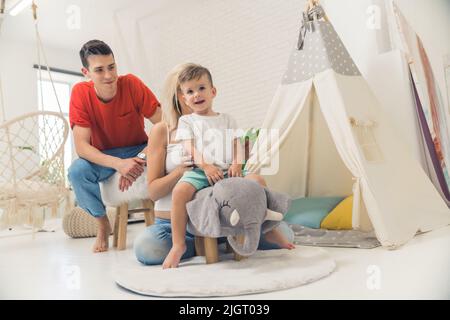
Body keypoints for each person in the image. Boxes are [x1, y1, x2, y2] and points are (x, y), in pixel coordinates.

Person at [133, 63, 294, 268]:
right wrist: (187, 170)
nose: (196, 95)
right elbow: (155, 190)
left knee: (258, 181)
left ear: (212, 91)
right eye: (188, 90)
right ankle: (183, 243)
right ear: (180, 95)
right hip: (182, 208)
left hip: (224, 200)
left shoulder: (225, 119)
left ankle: (261, 229)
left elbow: (234, 147)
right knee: (148, 248)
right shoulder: (172, 128)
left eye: (201, 88)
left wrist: (238, 162)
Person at [68, 40, 162, 253]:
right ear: (86, 72)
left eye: (112, 67)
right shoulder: (80, 93)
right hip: (104, 155)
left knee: (174, 152)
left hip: (138, 148)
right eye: (99, 70)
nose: (109, 75)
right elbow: (82, 147)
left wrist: (142, 157)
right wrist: (120, 165)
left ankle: (169, 223)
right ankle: (102, 224)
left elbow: (165, 125)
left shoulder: (132, 84)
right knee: (76, 172)